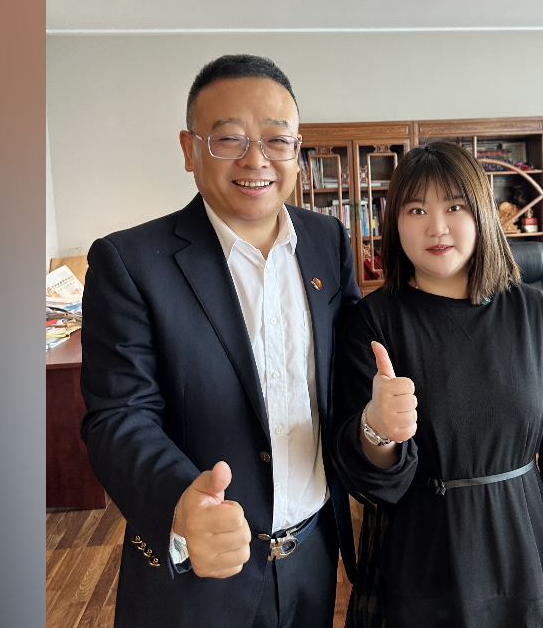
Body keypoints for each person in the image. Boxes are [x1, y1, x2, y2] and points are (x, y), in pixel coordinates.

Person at [80, 54, 361, 628]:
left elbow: (354, 366)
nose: (256, 160)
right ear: (190, 149)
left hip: (313, 556)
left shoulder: (327, 241)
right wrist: (180, 501)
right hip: (197, 577)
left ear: (297, 150)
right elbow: (118, 416)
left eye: (277, 140)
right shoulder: (131, 262)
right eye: (229, 138)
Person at [332, 141, 543, 628]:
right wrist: (377, 429)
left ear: (482, 214)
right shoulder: (372, 324)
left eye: (454, 207)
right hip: (419, 556)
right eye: (416, 210)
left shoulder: (535, 315)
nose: (436, 227)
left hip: (518, 546)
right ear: (394, 224)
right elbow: (366, 481)